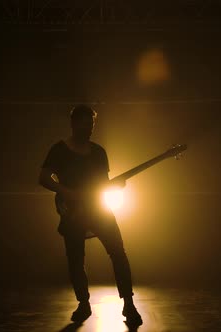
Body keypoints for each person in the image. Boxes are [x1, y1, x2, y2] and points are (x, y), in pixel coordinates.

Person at [38, 104, 143, 326]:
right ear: (74, 124)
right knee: (76, 260)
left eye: (92, 124)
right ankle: (83, 303)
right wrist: (66, 192)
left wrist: (116, 186)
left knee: (118, 253)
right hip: (73, 213)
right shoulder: (59, 149)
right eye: (86, 124)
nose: (90, 129)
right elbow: (44, 178)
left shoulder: (98, 152)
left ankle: (128, 304)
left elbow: (102, 185)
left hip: (99, 209)